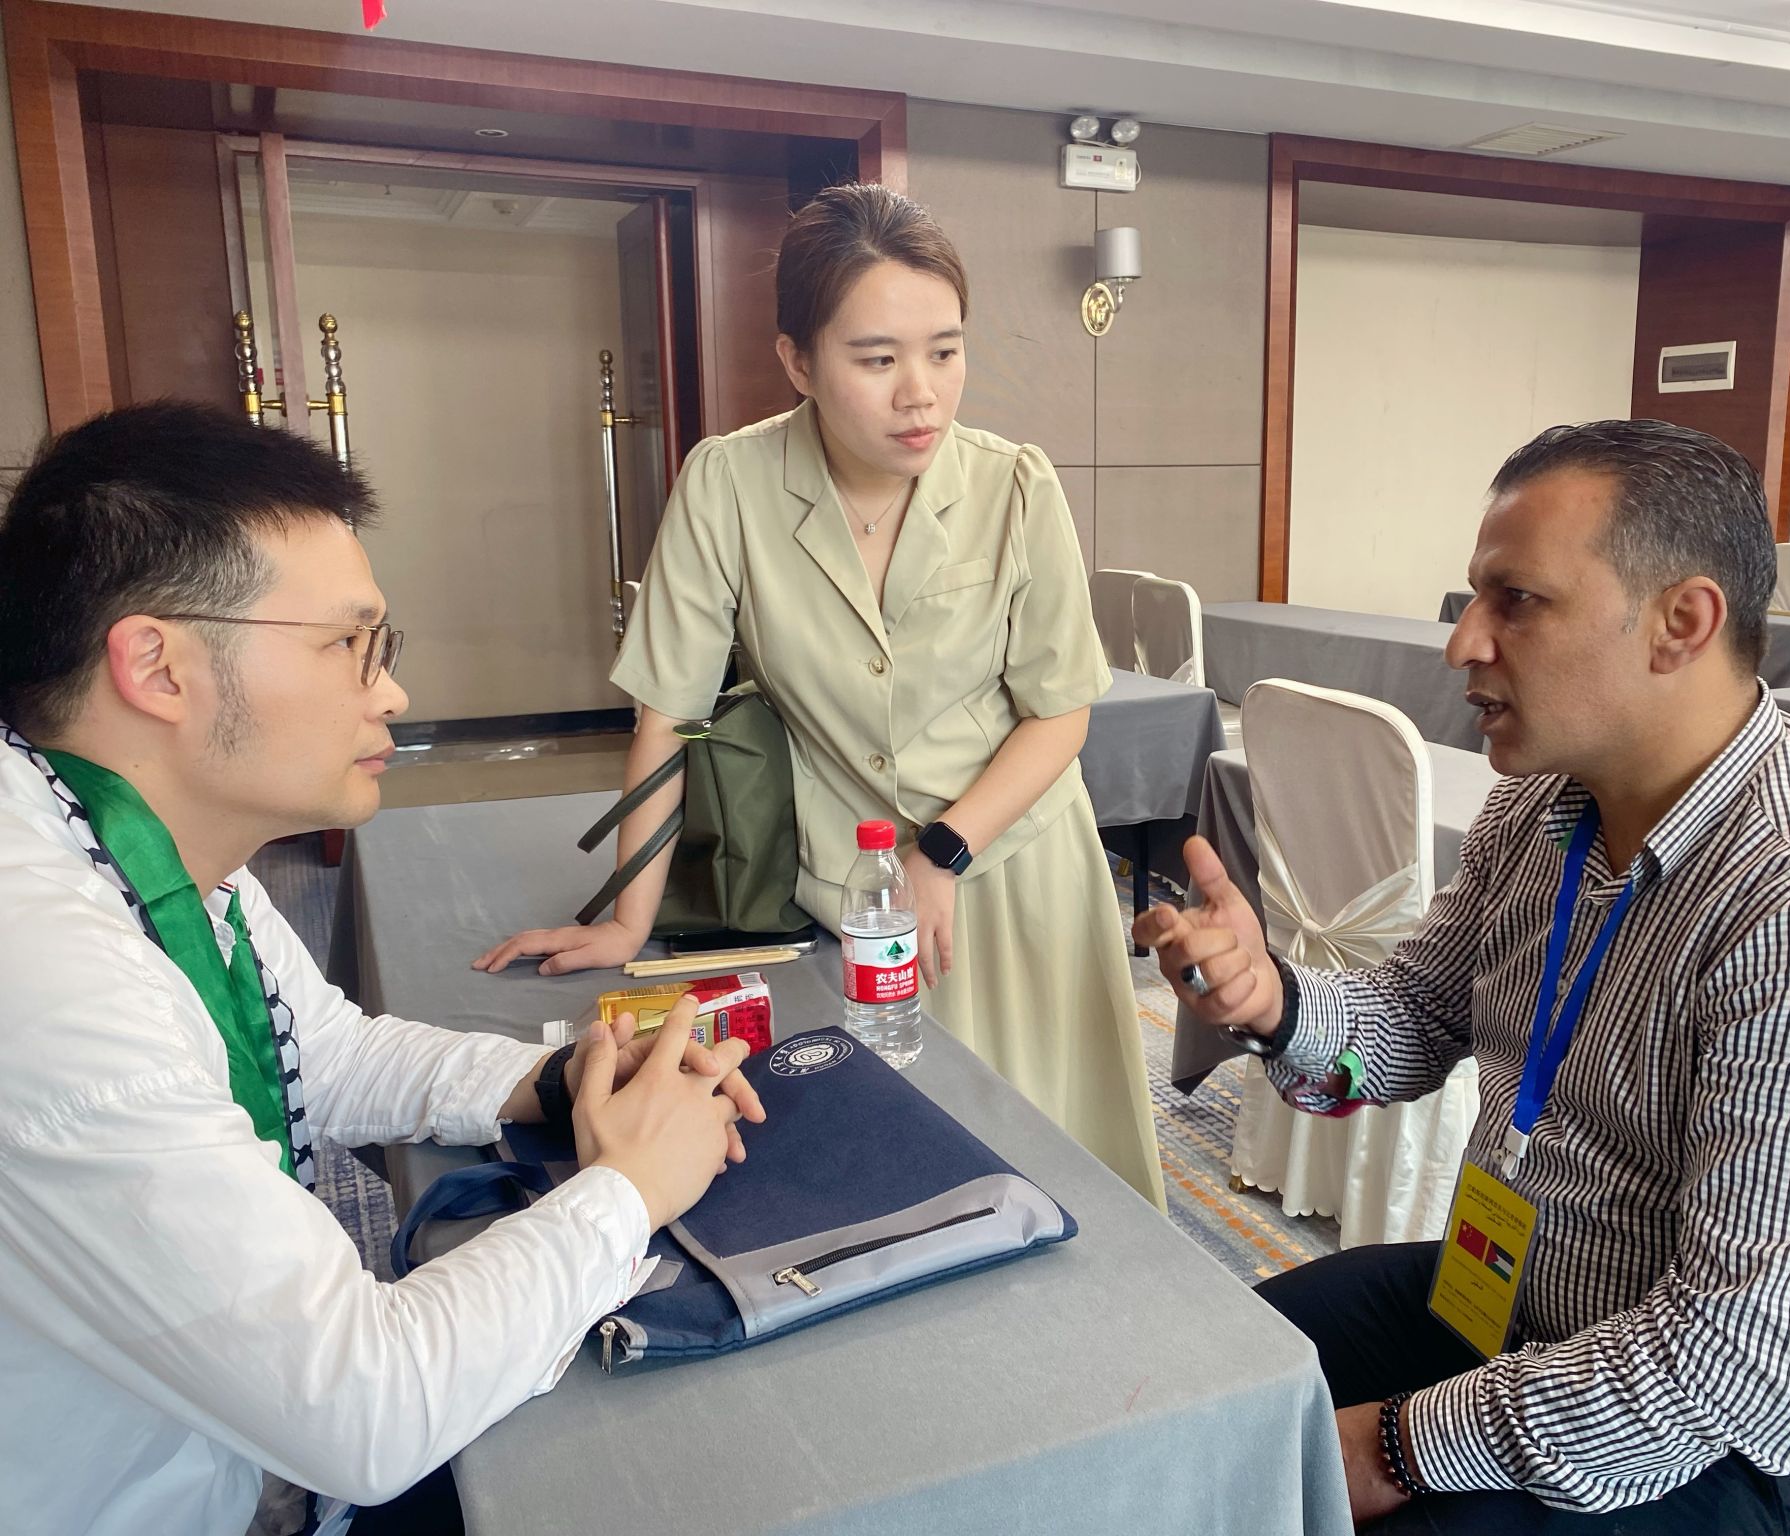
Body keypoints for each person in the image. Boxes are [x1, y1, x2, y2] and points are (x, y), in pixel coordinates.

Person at [1140, 420, 1790, 1532]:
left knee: (1291, 1487)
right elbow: (1410, 1017)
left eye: (1517, 601)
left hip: (1757, 1452)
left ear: (1679, 624)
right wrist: (1276, 1002)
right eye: (1473, 598)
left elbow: (1742, 1358)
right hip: (1517, 1300)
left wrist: (1389, 1446)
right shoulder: (1541, 807)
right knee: (1198, 1389)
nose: (1463, 644)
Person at [0, 402, 765, 1536]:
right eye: (348, 644)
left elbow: (322, 1051)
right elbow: (366, 1408)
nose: (391, 692)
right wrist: (630, 1189)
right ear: (156, 665)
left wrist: (556, 1078)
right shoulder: (51, 980)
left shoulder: (140, 844)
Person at [478, 183, 1168, 1210]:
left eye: (945, 351)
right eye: (877, 359)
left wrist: (943, 852)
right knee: (879, 1168)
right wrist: (628, 923)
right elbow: (668, 715)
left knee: (1058, 1158)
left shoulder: (1015, 487)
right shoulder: (727, 484)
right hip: (846, 889)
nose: (921, 395)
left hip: (1015, 868)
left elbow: (1058, 712)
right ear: (798, 362)